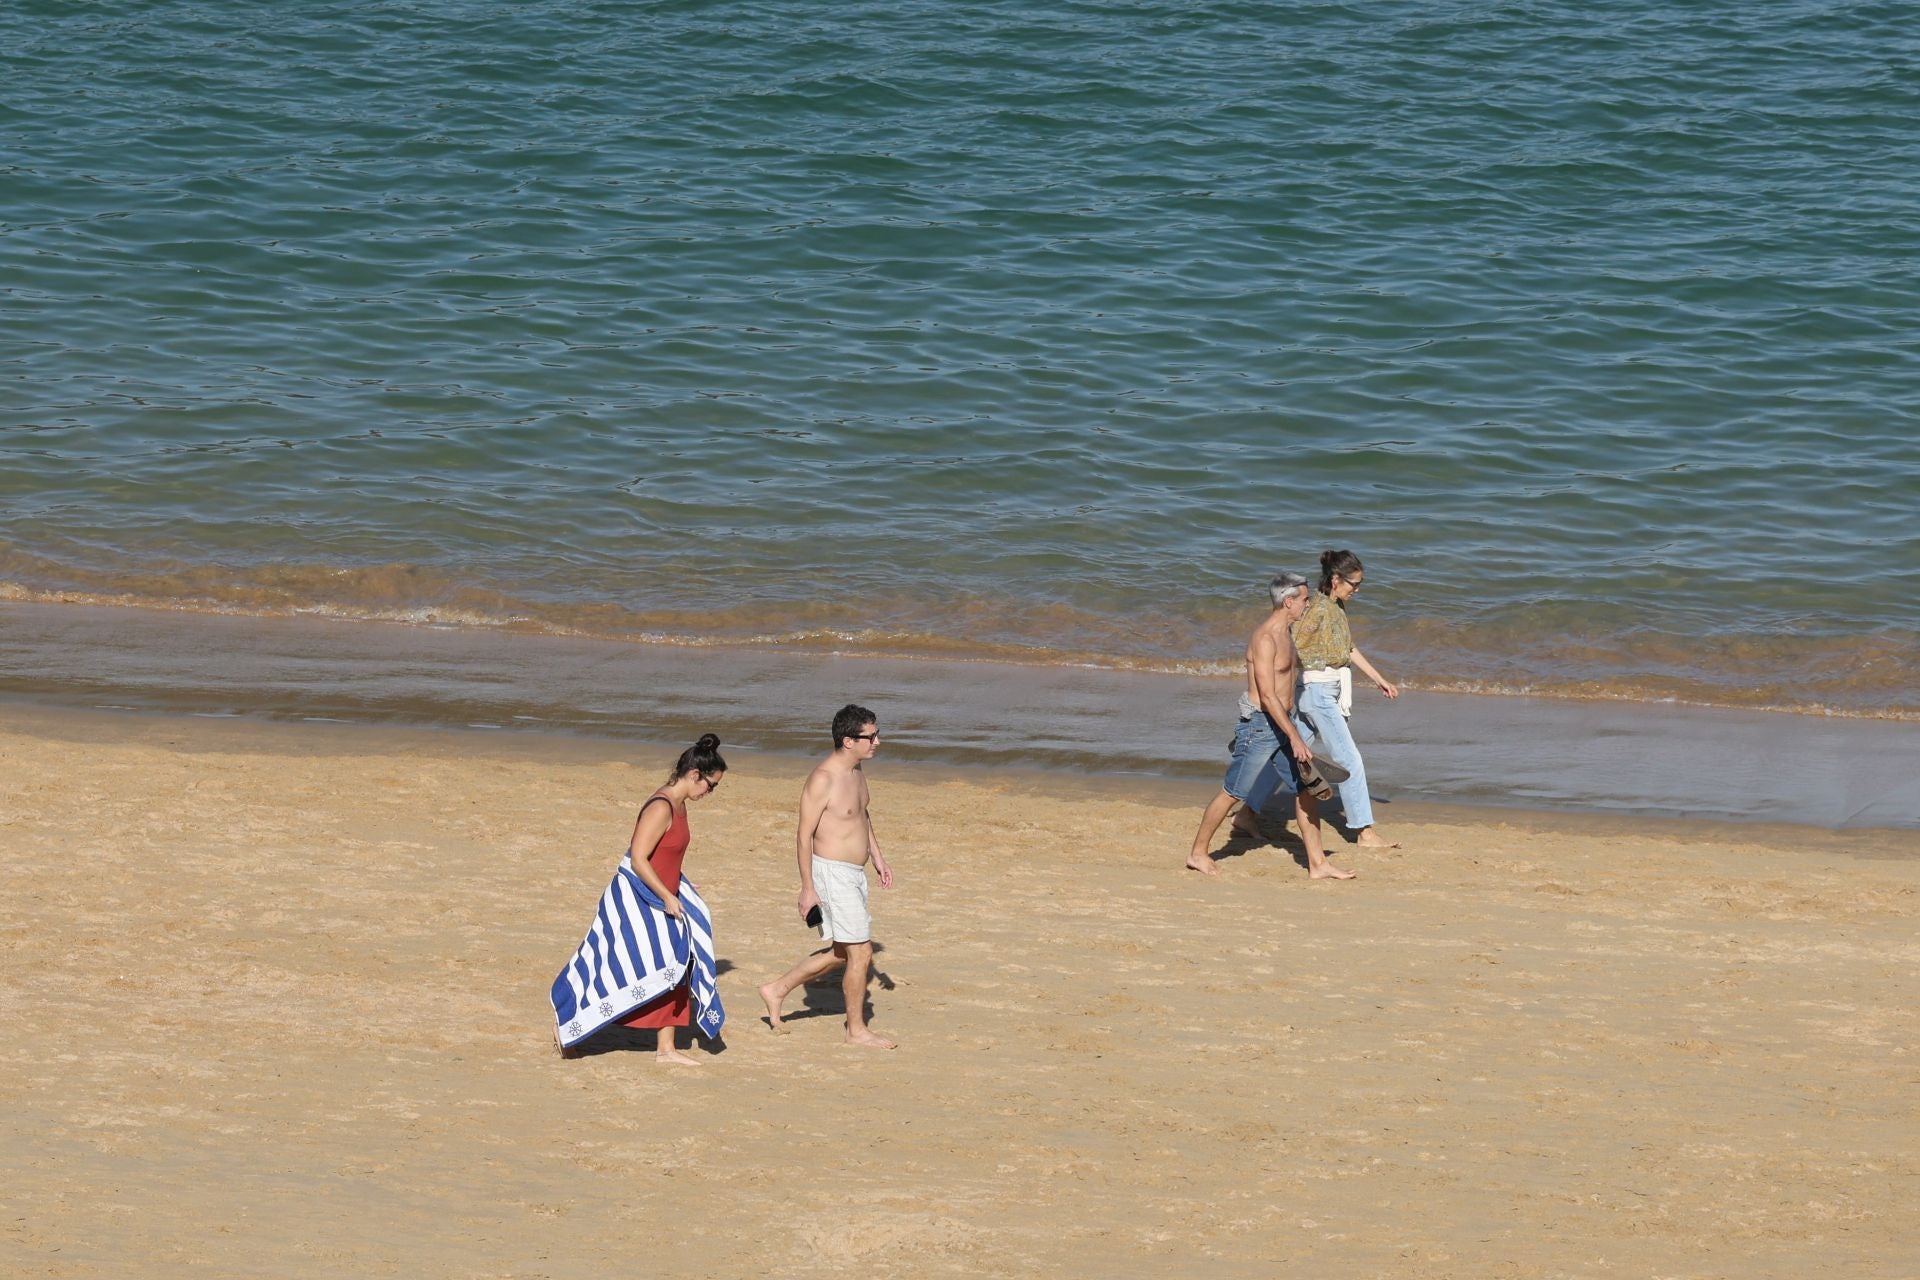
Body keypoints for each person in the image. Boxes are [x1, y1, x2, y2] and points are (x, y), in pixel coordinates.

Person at [552, 734, 728, 1066]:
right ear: (694, 775)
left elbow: (666, 856)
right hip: (640, 899)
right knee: (609, 965)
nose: (710, 792)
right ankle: (566, 1025)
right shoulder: (661, 806)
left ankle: (666, 1049)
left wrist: (681, 885)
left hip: (665, 896)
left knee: (677, 965)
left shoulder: (681, 805)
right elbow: (638, 858)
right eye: (710, 785)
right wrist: (666, 894)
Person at [1186, 572, 1352, 880]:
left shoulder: (1286, 633)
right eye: (1304, 599)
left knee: (1306, 790)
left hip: (1281, 724)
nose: (1307, 604)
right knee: (1233, 792)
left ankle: (1318, 865)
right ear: (1288, 602)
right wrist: (1296, 738)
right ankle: (1197, 853)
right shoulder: (1264, 638)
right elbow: (1267, 695)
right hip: (1260, 727)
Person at [758, 704, 897, 1048]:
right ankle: (856, 1030)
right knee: (861, 953)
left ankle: (776, 990)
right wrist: (808, 889)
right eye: (871, 736)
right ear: (849, 740)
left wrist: (877, 857)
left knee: (842, 952)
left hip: (854, 873)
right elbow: (803, 835)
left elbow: (862, 816)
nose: (878, 741)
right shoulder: (823, 779)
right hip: (831, 874)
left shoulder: (857, 771)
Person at [1292, 549, 1400, 848]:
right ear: (1336, 580)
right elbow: (1294, 640)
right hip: (1317, 693)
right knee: (1349, 759)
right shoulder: (1317, 608)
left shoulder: (1335, 606)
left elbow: (1348, 649)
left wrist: (1379, 679)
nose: (1357, 590)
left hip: (1318, 692)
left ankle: (1246, 813)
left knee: (1288, 755)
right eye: (1354, 584)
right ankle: (1364, 831)